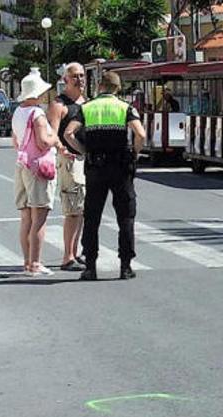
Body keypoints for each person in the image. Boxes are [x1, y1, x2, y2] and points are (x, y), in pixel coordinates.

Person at [64, 71, 146, 281]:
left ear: (100, 86)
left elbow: (68, 133)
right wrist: (135, 154)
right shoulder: (125, 108)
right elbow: (141, 134)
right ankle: (125, 266)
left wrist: (83, 151)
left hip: (95, 168)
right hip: (120, 167)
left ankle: (90, 266)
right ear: (118, 88)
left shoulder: (87, 107)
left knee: (92, 218)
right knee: (126, 217)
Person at [12, 68, 59, 276]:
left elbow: (15, 141)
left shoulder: (18, 112)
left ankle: (26, 261)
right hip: (39, 167)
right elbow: (43, 142)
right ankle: (36, 263)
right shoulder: (37, 113)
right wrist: (54, 137)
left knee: (26, 218)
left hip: (22, 165)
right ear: (38, 94)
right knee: (39, 216)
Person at [47, 62, 87, 271]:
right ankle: (67, 256)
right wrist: (63, 149)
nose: (80, 80)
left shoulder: (86, 103)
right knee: (72, 210)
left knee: (81, 209)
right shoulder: (58, 104)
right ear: (65, 80)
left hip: (85, 161)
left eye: (82, 75)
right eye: (75, 76)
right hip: (70, 161)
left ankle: (75, 251)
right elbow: (52, 133)